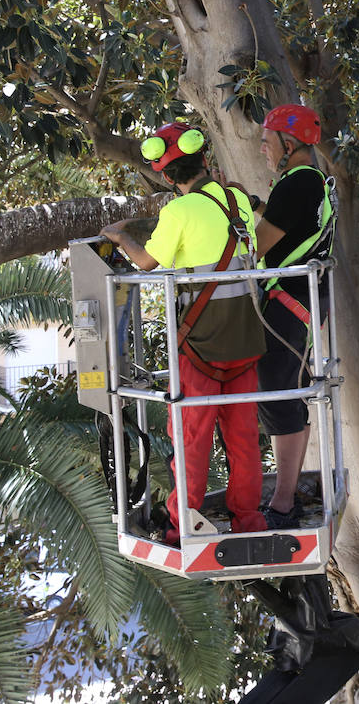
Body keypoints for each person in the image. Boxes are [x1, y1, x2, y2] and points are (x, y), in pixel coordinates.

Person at [102, 121, 267, 541]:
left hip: (200, 348)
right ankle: (248, 518)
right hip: (247, 341)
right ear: (204, 160)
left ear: (164, 175)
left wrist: (120, 237)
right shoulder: (237, 200)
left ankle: (184, 525)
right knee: (244, 439)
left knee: (192, 440)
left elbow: (146, 262)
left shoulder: (176, 211)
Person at [251, 104, 336, 528]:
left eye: (267, 143)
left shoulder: (296, 185)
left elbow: (258, 247)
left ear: (288, 144)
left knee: (276, 395)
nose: (262, 151)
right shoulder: (313, 182)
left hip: (289, 303)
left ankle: (282, 504)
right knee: (288, 396)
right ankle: (286, 499)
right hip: (304, 302)